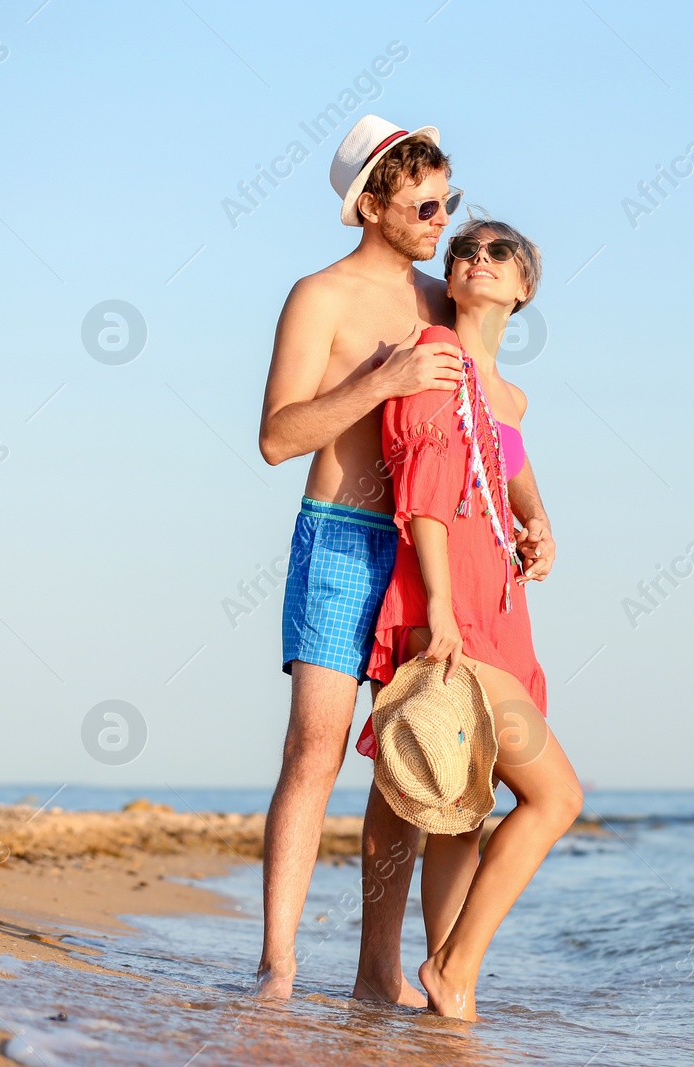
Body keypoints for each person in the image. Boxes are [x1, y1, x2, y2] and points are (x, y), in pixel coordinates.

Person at [254, 114, 556, 1002]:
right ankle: (277, 965)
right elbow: (276, 438)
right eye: (425, 201)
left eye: (448, 199)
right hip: (345, 537)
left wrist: (530, 518)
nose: (442, 216)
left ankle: (394, 975)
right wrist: (375, 384)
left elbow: (489, 435)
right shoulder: (321, 297)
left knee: (428, 767)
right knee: (314, 746)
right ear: (371, 205)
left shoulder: (442, 301)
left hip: (437, 557)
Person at [358, 218, 582, 1021]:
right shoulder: (433, 362)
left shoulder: (506, 393)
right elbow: (420, 495)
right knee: (556, 797)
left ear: (524, 287)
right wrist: (440, 615)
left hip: (503, 610)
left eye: (497, 253)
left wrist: (540, 523)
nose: (475, 259)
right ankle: (453, 968)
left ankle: (451, 992)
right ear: (450, 281)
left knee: (462, 809)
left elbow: (508, 464)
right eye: (465, 252)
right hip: (450, 606)